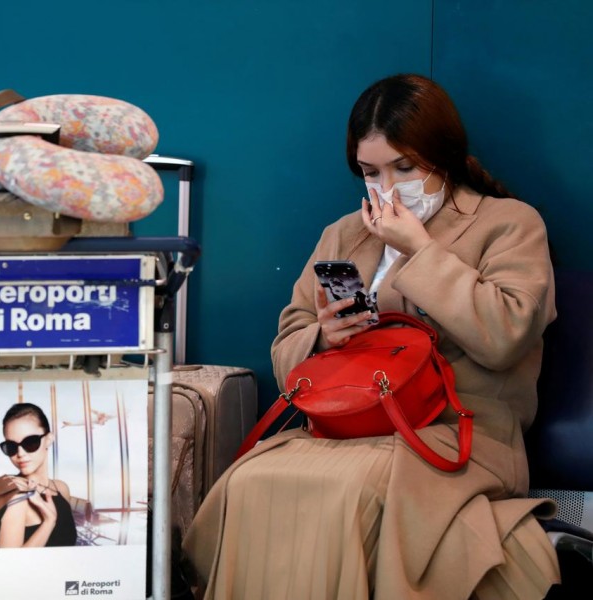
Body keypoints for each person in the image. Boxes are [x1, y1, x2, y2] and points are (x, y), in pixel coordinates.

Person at [182, 74, 560, 599]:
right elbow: (288, 344)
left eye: (404, 167)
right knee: (249, 480)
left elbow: (505, 337)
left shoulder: (509, 223)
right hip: (349, 424)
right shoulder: (343, 232)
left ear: (441, 154)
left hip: (460, 430)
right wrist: (323, 337)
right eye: (370, 171)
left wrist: (420, 251)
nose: (388, 185)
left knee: (353, 486)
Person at [0, 402, 78, 549]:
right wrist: (49, 522)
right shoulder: (17, 499)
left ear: (49, 439)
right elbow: (11, 566)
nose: (20, 454)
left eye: (30, 442)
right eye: (11, 447)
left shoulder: (61, 488)